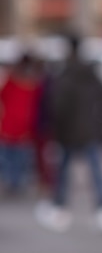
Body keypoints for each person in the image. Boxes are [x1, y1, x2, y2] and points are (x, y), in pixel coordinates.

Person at [35, 34, 102, 234]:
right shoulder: (91, 72)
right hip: (90, 131)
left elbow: (57, 106)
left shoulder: (64, 74)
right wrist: (100, 124)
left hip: (68, 133)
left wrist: (55, 129)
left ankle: (59, 208)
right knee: (96, 172)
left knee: (63, 174)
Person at [0, 52, 44, 195]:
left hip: (10, 124)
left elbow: (3, 97)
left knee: (10, 156)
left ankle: (13, 182)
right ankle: (16, 182)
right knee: (19, 156)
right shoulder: (35, 85)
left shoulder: (12, 81)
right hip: (23, 125)